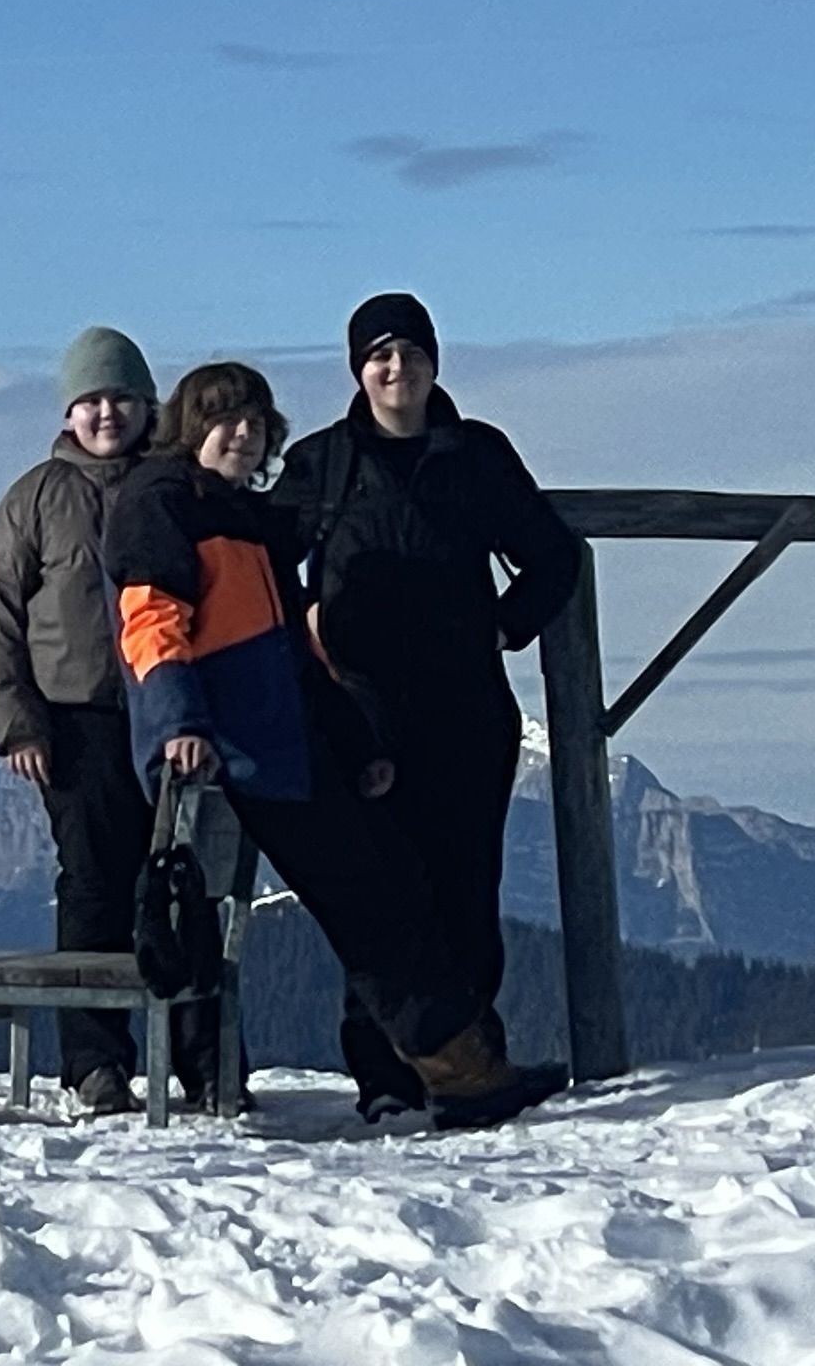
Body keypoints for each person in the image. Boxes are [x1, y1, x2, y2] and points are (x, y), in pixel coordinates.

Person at [111, 359, 564, 1128]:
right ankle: (458, 1073)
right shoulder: (161, 502)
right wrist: (178, 723)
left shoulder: (244, 518)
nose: (243, 434)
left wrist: (356, 747)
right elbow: (150, 620)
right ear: (189, 426)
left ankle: (456, 1066)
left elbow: (295, 651)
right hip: (232, 752)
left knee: (390, 889)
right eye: (224, 420)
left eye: (256, 422)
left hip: (283, 744)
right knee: (371, 901)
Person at [274, 290, 583, 1121]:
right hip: (362, 715)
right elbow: (261, 562)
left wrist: (505, 627)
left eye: (410, 352)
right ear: (357, 369)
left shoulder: (475, 455)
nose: (396, 368)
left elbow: (554, 557)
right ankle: (384, 1078)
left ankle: (476, 1067)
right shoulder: (321, 465)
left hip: (466, 710)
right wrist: (304, 629)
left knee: (466, 890)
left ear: (434, 363)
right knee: (379, 898)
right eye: (379, 355)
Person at [0, 324, 174, 1114]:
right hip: (74, 721)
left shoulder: (175, 486)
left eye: (120, 397)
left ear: (147, 406)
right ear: (68, 412)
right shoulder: (36, 498)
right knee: (93, 883)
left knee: (181, 884)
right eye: (90, 400)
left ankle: (201, 1057)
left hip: (170, 712)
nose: (105, 413)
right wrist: (16, 723)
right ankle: (96, 1062)